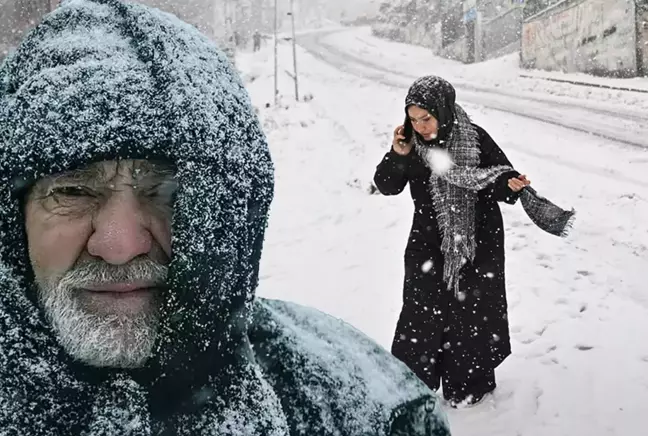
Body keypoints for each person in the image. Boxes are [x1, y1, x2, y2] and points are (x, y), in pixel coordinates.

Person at [0, 1, 452, 434]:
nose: (119, 245)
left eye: (170, 191)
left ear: (233, 213)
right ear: (12, 222)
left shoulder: (367, 409)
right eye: (73, 191)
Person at [374, 76, 574, 408]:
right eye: (413, 119)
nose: (421, 126)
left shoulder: (474, 138)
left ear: (443, 110)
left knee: (470, 317)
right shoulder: (410, 147)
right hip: (427, 243)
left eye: (427, 118)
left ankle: (467, 387)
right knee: (421, 315)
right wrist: (397, 153)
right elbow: (386, 185)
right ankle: (414, 383)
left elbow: (496, 176)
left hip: (476, 244)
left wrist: (510, 186)